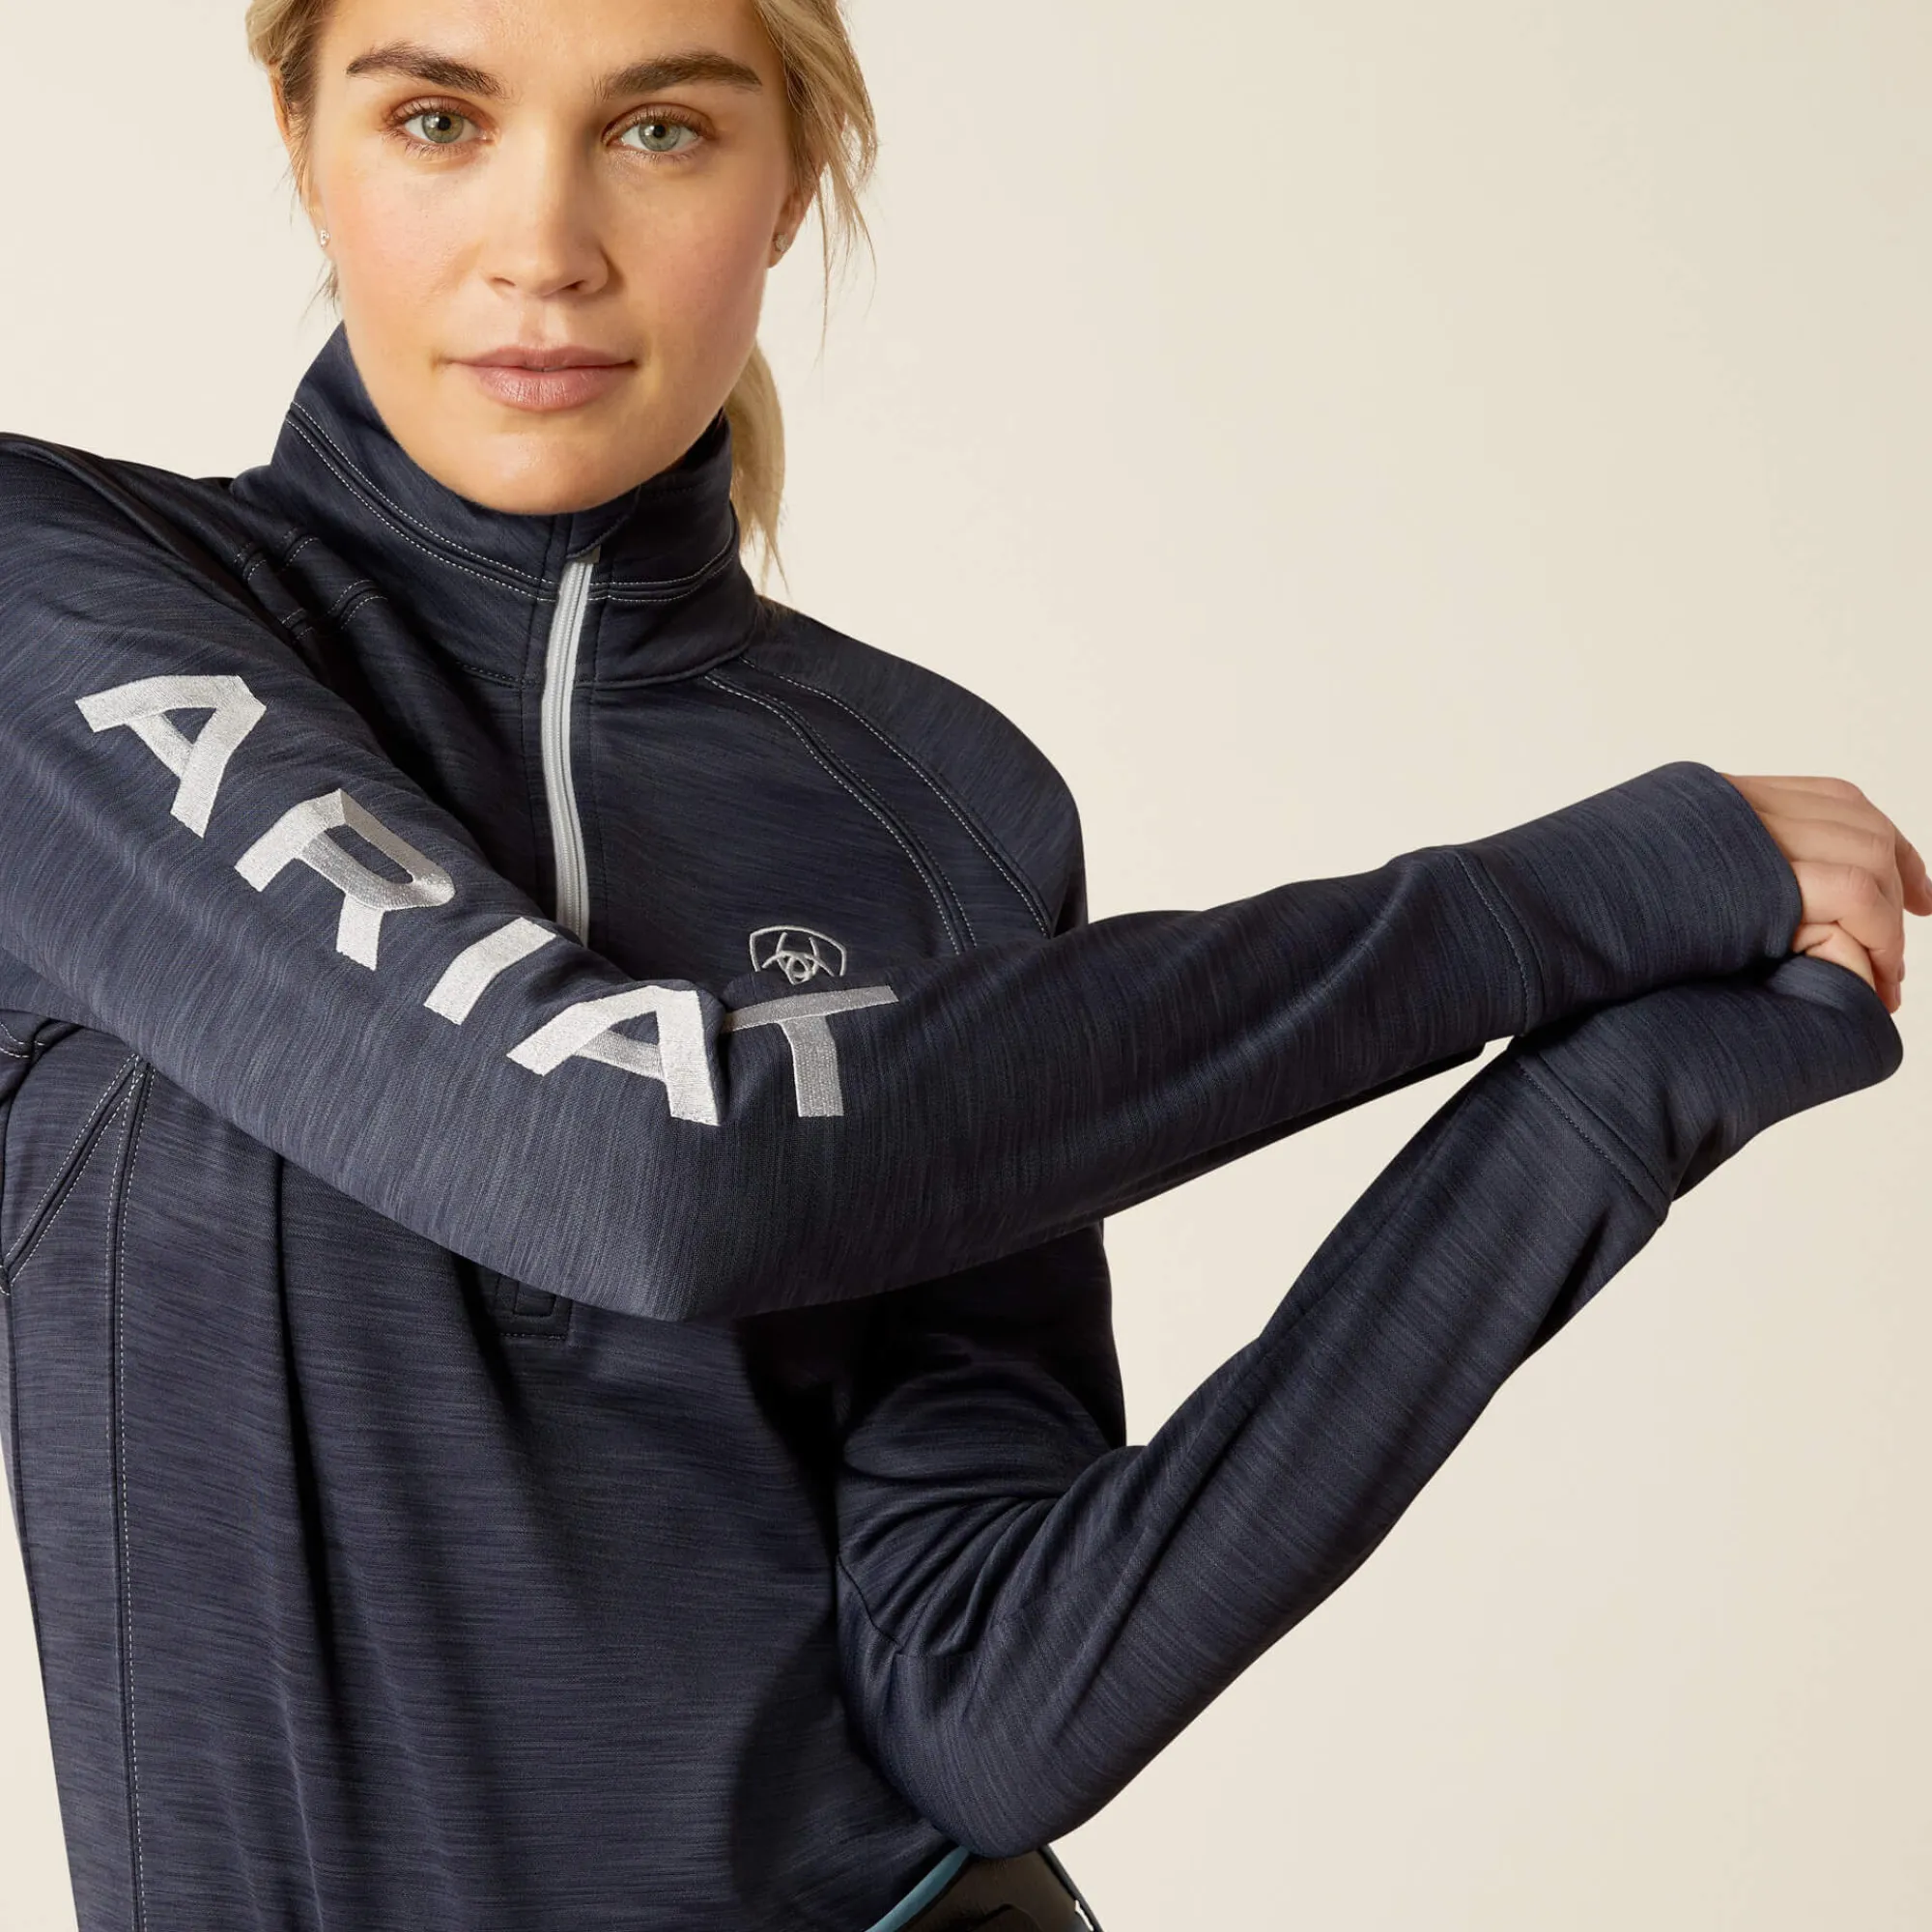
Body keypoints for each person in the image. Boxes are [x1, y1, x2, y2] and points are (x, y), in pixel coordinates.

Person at [0, 3, 1921, 1927]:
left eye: (661, 131)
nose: (545, 246)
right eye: (438, 118)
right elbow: (649, 1163)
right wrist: (1533, 915)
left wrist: (1599, 1108)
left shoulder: (943, 808)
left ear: (791, 180)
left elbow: (988, 1702)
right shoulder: (50, 594)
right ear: (302, 138)